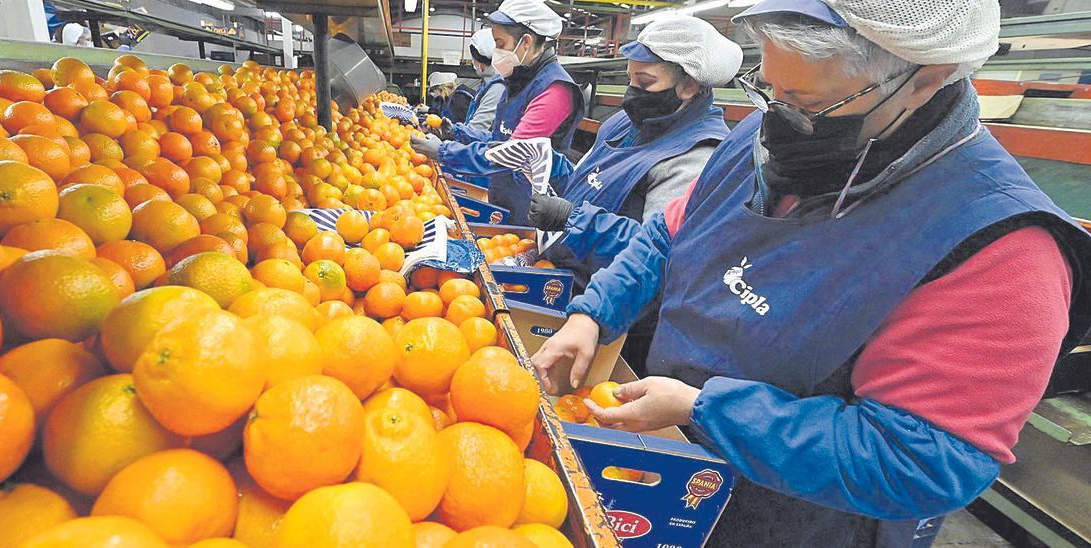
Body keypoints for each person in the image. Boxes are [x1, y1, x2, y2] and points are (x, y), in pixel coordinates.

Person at [530, 0, 1091, 546]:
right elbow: (669, 234)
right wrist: (594, 313)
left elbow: (923, 459)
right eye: (768, 89)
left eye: (805, 100)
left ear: (926, 79)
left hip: (798, 521)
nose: (776, 114)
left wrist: (703, 408)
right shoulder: (767, 139)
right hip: (669, 466)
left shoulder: (1000, 249)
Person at [528, 14, 741, 372]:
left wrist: (571, 217)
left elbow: (656, 246)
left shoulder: (694, 157)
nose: (632, 94)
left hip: (615, 326)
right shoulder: (625, 123)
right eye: (629, 78)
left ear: (688, 85)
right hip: (566, 286)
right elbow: (593, 179)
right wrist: (550, 164)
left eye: (645, 81)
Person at [411, 0, 585, 223]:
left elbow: (512, 154)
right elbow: (500, 138)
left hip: (532, 207)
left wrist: (444, 151)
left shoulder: (555, 90)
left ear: (526, 42)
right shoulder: (518, 80)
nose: (495, 52)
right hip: (506, 194)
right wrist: (458, 133)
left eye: (500, 43)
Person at [453, 28, 507, 135]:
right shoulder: (488, 83)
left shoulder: (498, 86)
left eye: (473, 59)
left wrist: (451, 135)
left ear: (480, 62)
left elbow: (477, 127)